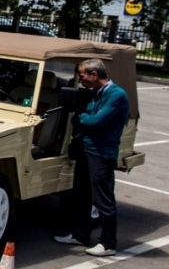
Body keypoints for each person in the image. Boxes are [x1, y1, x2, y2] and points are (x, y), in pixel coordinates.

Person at [54, 59, 130, 257]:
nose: (81, 80)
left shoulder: (117, 95)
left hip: (102, 153)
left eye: (83, 76)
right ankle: (80, 235)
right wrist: (84, 117)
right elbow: (85, 116)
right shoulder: (96, 94)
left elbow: (95, 121)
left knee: (103, 200)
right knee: (81, 195)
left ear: (94, 75)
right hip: (87, 150)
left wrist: (81, 118)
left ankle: (108, 243)